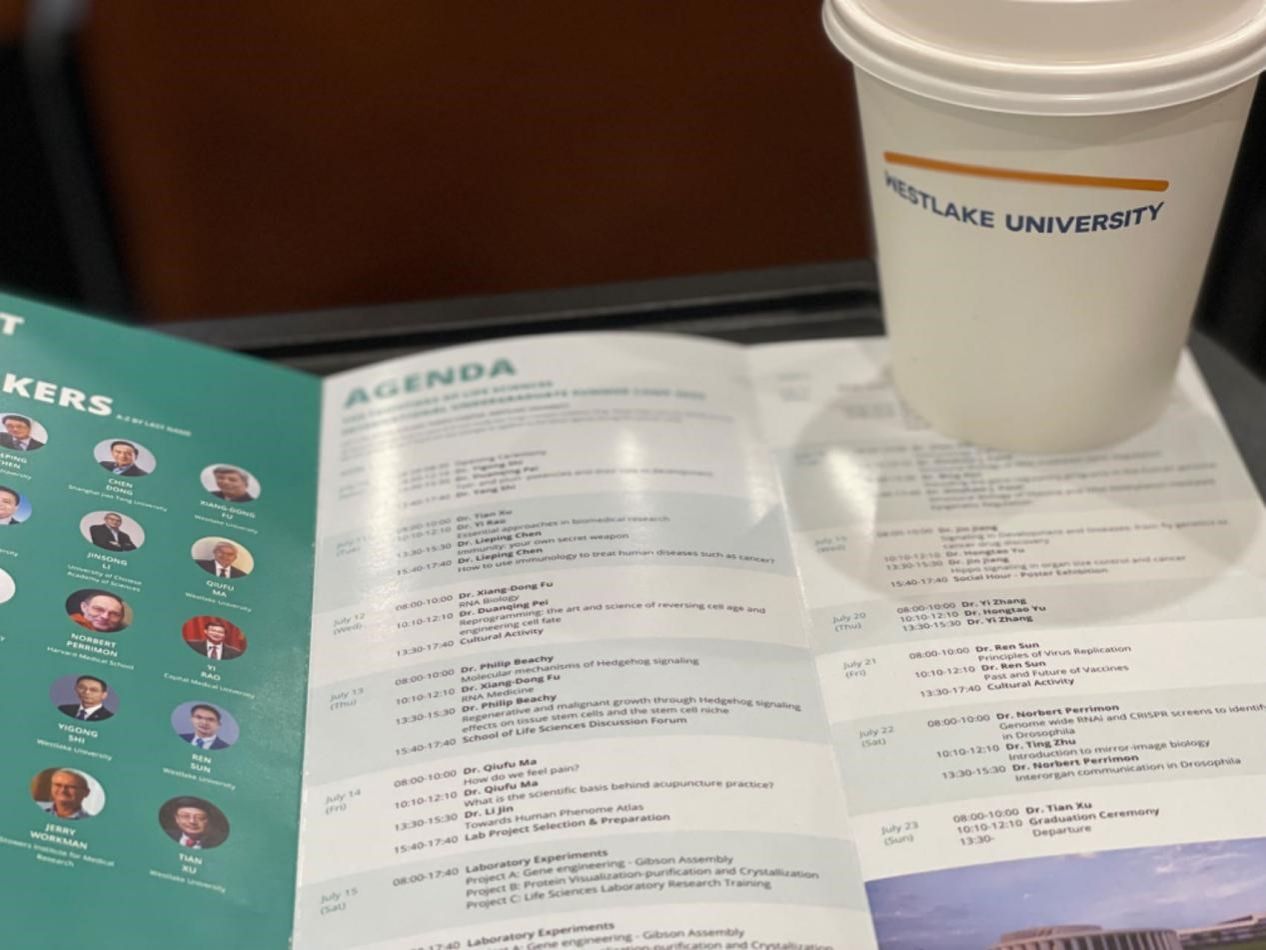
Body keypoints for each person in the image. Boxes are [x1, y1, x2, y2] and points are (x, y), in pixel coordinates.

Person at [162, 797, 228, 849]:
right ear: (177, 818)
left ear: (209, 820)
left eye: (200, 817)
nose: (192, 821)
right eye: (185, 816)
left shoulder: (217, 844)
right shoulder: (165, 836)